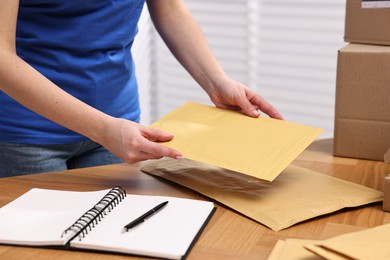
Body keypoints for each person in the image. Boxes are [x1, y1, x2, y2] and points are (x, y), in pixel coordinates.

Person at [0, 0, 283, 177]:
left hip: (119, 122)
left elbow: (169, 8)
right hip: (27, 134)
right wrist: (103, 128)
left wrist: (216, 81)